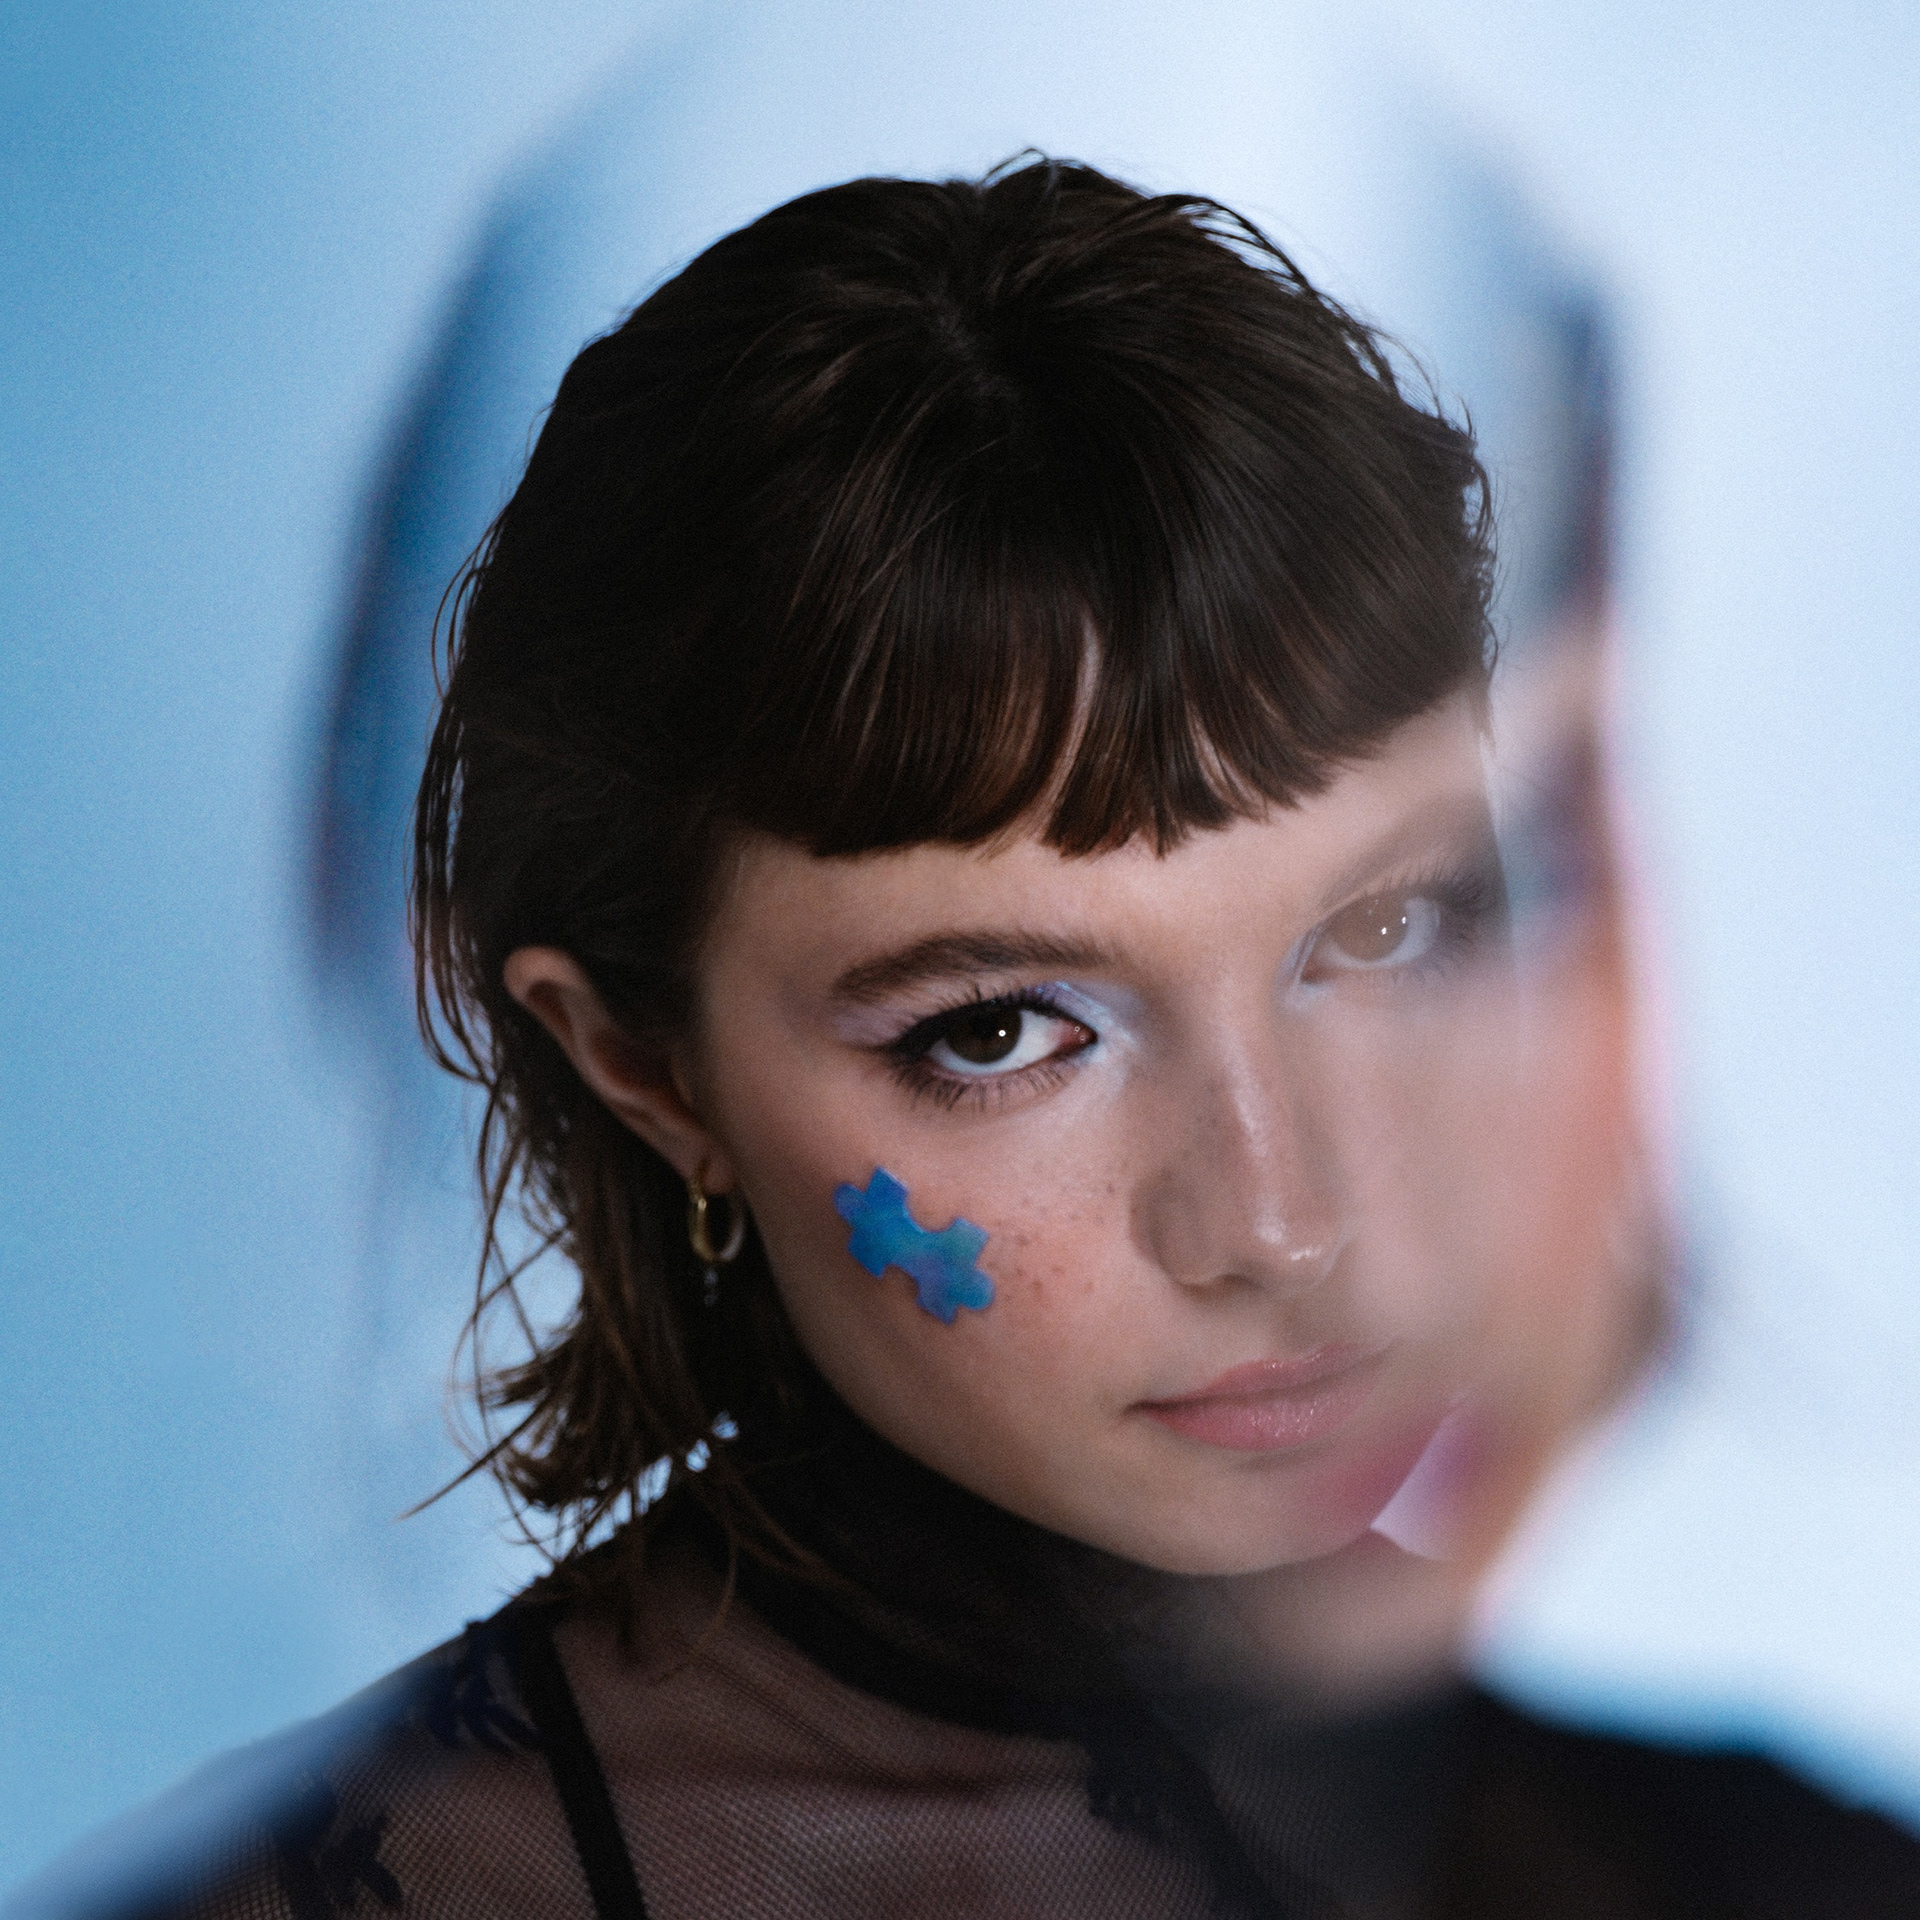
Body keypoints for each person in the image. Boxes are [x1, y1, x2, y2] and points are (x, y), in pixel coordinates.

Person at [23, 157, 1920, 1920]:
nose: (1283, 1220)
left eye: (1380, 932)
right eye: (1005, 1029)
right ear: (645, 1070)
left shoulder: (1758, 1869)